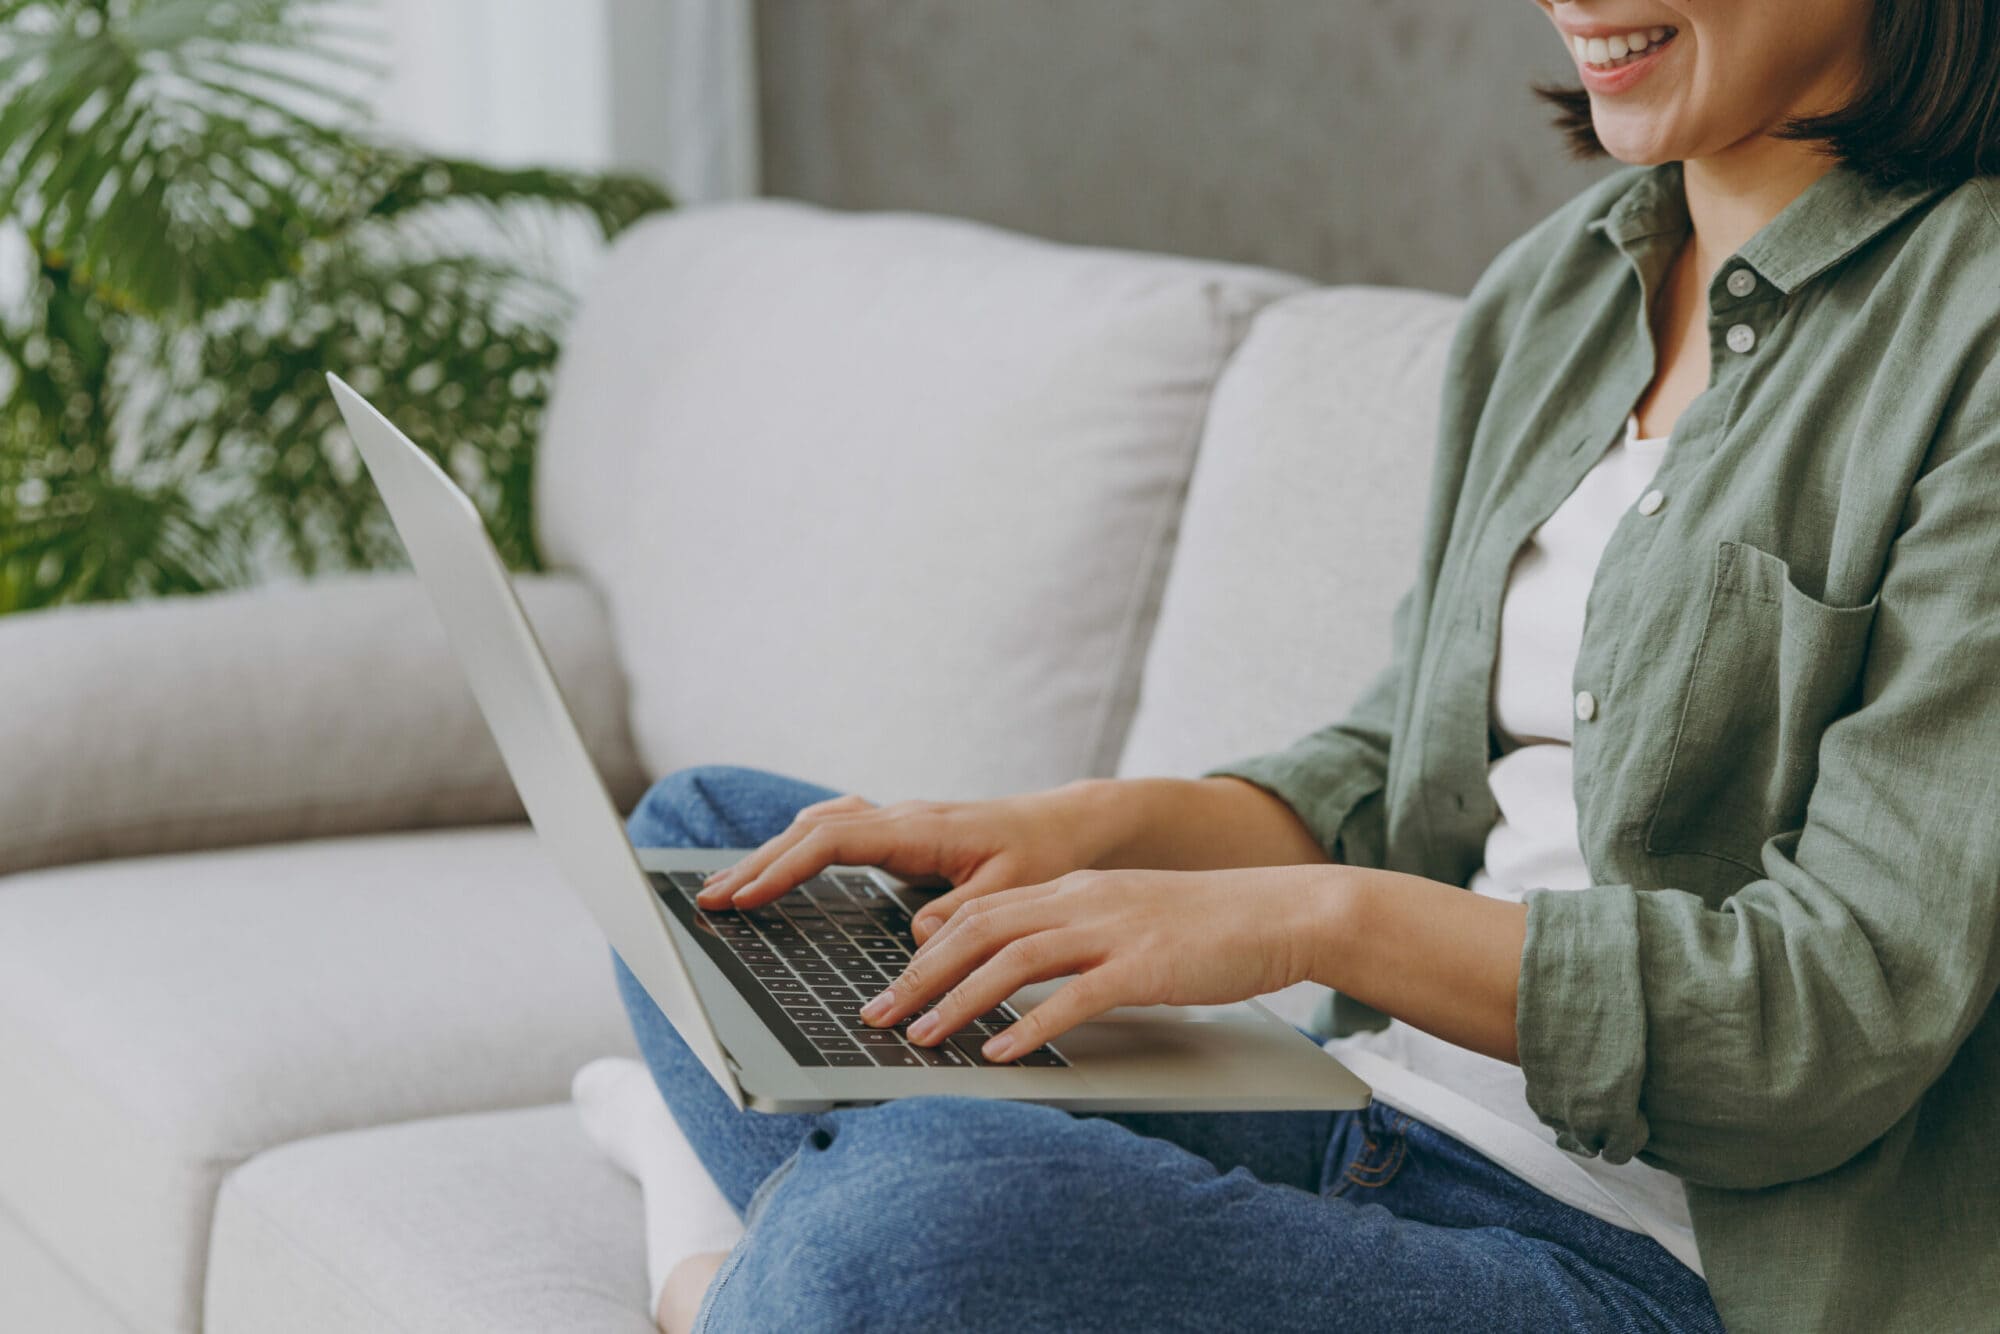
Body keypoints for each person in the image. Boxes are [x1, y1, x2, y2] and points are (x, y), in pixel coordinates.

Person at [574, 2, 2000, 1328]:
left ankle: (724, 1266)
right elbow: (1394, 771)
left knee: (901, 1226)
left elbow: (1841, 1008)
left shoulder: (1973, 333)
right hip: (1365, 1113)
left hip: (1643, 1258)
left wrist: (1311, 923)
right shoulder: (1555, 295)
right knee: (721, 852)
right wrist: (1063, 830)